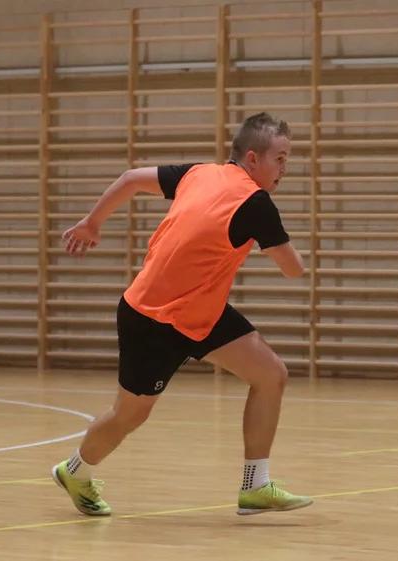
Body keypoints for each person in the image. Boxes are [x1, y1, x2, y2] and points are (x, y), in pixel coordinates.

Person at [52, 112, 312, 517]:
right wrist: (292, 250)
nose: (285, 168)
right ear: (252, 158)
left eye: (288, 158)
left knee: (270, 375)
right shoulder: (256, 204)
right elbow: (293, 269)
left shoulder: (199, 172)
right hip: (152, 318)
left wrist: (92, 222)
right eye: (279, 158)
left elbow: (131, 179)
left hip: (202, 311)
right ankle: (75, 471)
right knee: (129, 416)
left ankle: (255, 484)